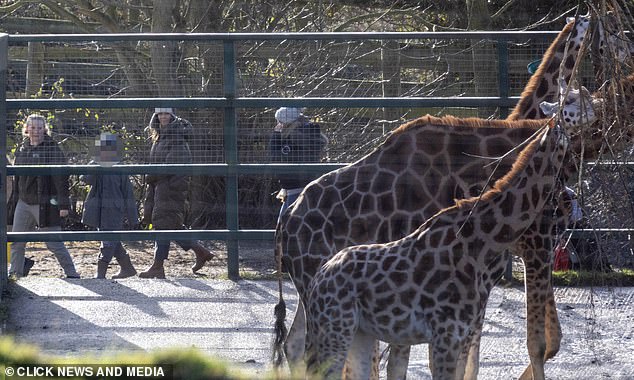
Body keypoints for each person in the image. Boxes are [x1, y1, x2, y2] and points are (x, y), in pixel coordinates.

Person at [138, 108, 214, 279]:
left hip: (170, 189)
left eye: (166, 114)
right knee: (168, 225)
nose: (163, 117)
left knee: (164, 226)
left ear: (172, 116)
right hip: (161, 188)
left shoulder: (176, 138)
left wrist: (150, 176)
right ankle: (201, 252)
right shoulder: (160, 137)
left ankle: (158, 266)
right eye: (160, 114)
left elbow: (170, 166)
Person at [7, 114, 80, 278]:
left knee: (54, 243)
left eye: (39, 128)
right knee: (17, 242)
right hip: (23, 202)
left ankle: (72, 273)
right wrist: (14, 202)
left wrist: (63, 205)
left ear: (44, 129)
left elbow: (61, 179)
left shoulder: (53, 149)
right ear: (26, 129)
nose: (36, 131)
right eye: (32, 127)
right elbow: (16, 179)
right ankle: (14, 275)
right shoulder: (22, 149)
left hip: (45, 203)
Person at [81, 132, 138, 279]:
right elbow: (85, 179)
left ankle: (100, 274)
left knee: (107, 241)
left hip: (114, 210)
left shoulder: (120, 169)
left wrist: (133, 219)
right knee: (112, 240)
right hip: (98, 210)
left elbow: (128, 194)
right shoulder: (96, 165)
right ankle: (127, 268)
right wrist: (94, 164)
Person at [269, 107, 327, 220]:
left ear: (286, 123)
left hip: (295, 189)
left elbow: (275, 157)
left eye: (280, 122)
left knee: (285, 225)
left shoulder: (292, 140)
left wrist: (275, 136)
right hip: (295, 188)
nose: (278, 125)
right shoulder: (305, 136)